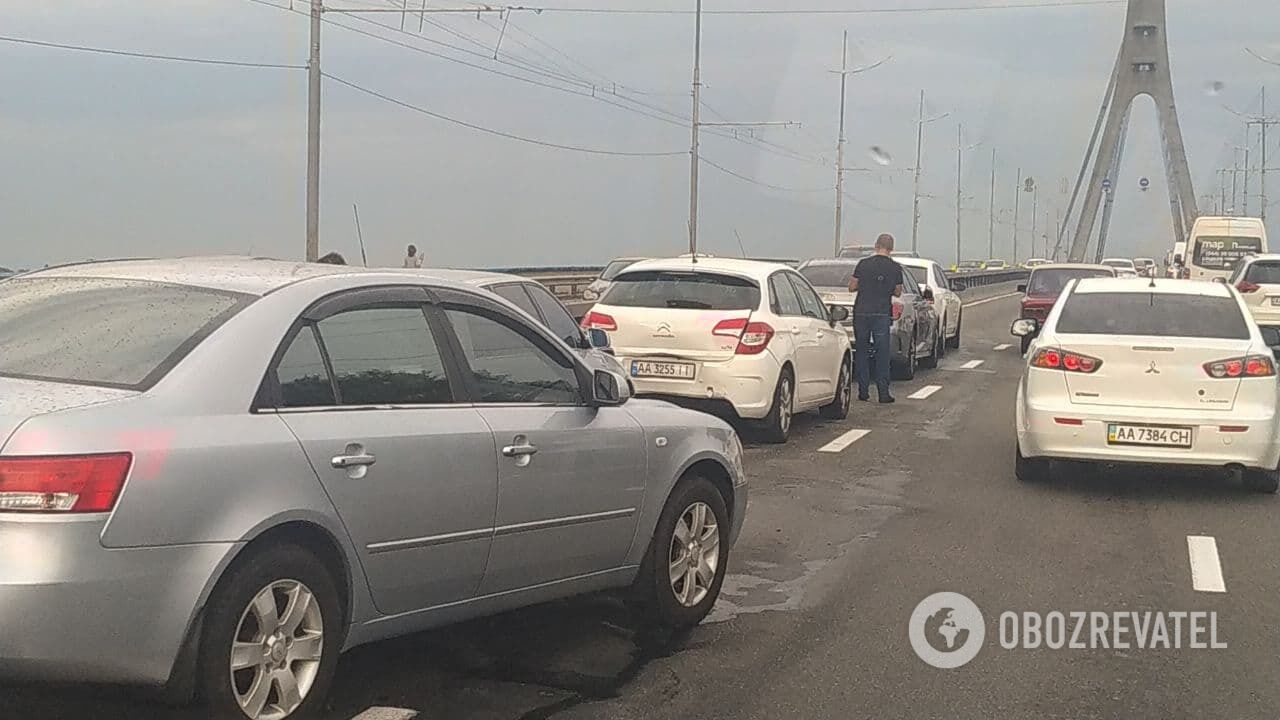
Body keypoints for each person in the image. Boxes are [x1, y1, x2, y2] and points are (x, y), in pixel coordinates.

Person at [848, 233, 905, 403]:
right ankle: (883, 393)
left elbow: (852, 286)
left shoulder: (863, 264)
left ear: (876, 246)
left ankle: (863, 390)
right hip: (881, 313)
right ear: (891, 249)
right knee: (882, 352)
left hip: (862, 312)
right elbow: (898, 291)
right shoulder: (895, 268)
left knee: (862, 350)